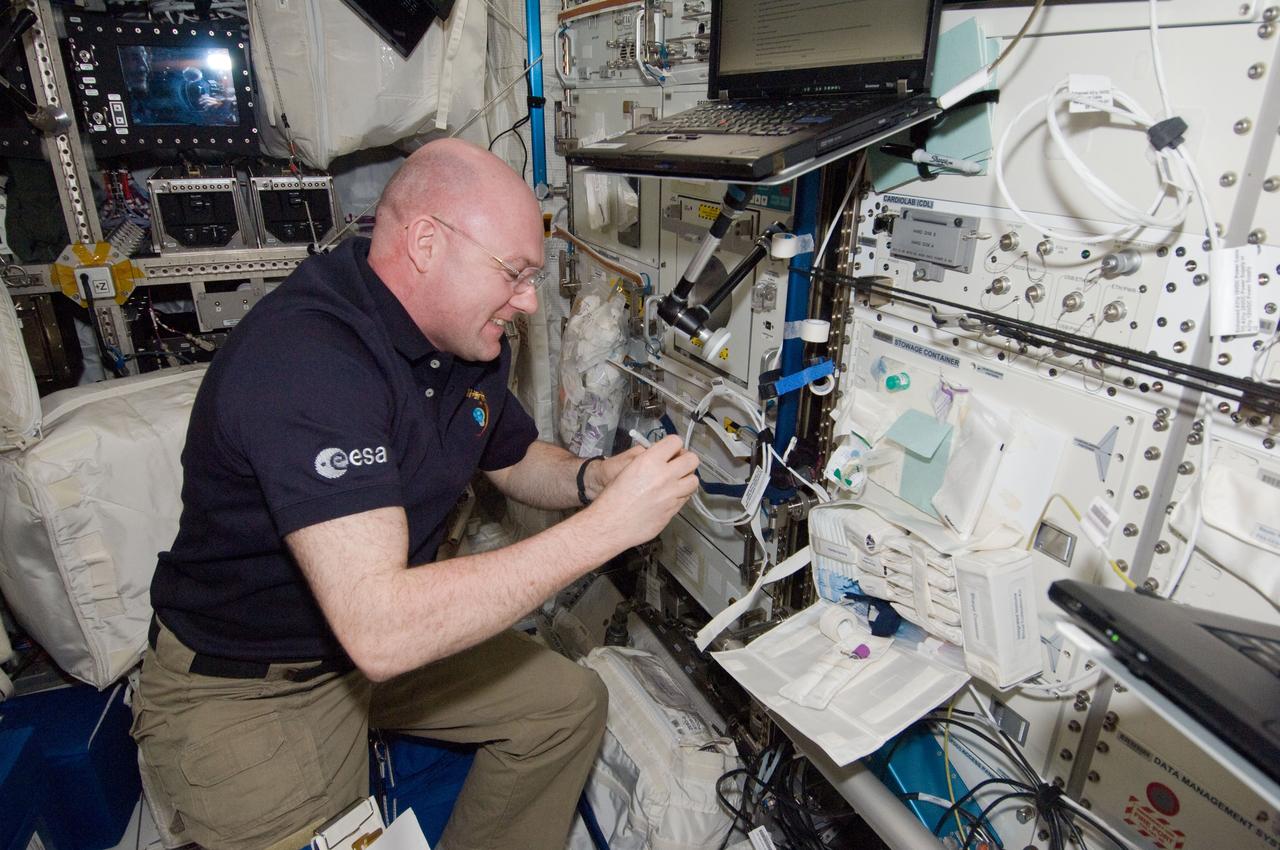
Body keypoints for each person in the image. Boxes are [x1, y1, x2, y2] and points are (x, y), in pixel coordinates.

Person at [131, 138, 701, 850]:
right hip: (253, 684)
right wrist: (607, 528)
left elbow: (513, 454)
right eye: (514, 274)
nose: (527, 302)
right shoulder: (310, 363)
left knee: (564, 706)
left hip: (368, 653)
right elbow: (382, 628)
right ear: (427, 242)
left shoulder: (464, 342)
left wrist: (592, 482)